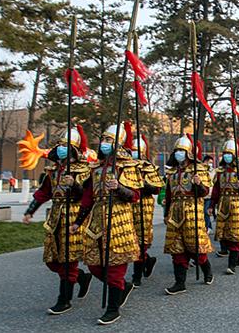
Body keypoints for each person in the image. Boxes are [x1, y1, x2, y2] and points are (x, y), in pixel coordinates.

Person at [72, 124, 141, 325]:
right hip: (96, 219)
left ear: (117, 143)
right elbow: (87, 198)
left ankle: (113, 308)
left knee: (115, 267)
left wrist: (119, 188)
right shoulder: (96, 169)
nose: (104, 144)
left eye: (109, 140)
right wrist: (78, 222)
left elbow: (135, 195)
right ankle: (121, 287)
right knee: (94, 265)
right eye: (103, 139)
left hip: (118, 219)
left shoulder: (128, 166)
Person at [22, 126, 94, 315]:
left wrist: (75, 185)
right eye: (59, 145)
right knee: (52, 260)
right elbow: (44, 192)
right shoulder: (53, 170)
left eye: (65, 146)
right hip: (55, 216)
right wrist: (30, 211)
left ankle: (64, 299)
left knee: (68, 260)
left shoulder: (84, 169)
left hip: (74, 215)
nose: (61, 149)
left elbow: (87, 195)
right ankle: (80, 278)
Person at [163, 136, 214, 295]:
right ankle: (180, 283)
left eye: (182, 151)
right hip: (175, 211)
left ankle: (206, 269)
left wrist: (198, 184)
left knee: (195, 247)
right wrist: (166, 213)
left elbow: (204, 193)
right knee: (176, 248)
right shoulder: (172, 172)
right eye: (177, 150)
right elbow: (170, 195)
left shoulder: (198, 169)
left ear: (188, 153)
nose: (179, 153)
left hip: (192, 210)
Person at [210, 140, 239, 275]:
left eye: (230, 154)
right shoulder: (220, 171)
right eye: (225, 154)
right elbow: (216, 190)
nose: (227, 156)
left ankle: (232, 264)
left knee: (235, 232)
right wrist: (212, 205)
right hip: (223, 203)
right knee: (224, 234)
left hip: (237, 202)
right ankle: (238, 253)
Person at [128, 134, 163, 288]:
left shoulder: (150, 168)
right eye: (132, 150)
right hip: (128, 205)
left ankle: (137, 275)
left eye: (136, 150)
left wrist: (143, 184)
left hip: (144, 206)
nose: (134, 153)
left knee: (141, 241)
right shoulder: (126, 167)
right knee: (130, 240)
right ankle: (147, 260)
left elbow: (156, 189)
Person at [202, 155, 215, 235]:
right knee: (202, 213)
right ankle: (208, 226)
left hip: (209, 195)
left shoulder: (213, 171)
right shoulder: (200, 170)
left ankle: (207, 228)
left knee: (206, 212)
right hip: (201, 195)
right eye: (210, 162)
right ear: (205, 161)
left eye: (212, 163)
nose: (211, 164)